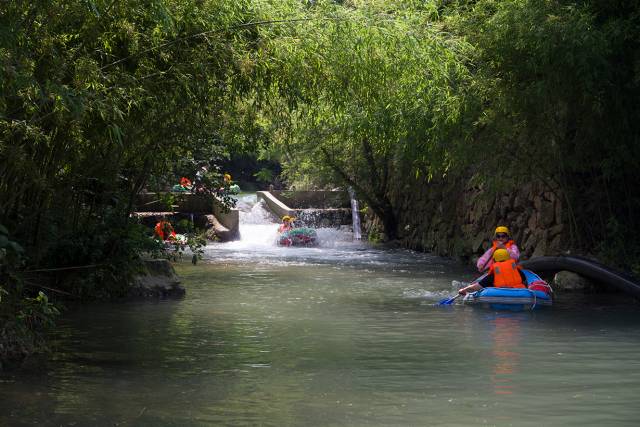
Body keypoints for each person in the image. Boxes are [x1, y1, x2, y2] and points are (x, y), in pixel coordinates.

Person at [458, 249, 527, 295]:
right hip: (520, 293)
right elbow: (524, 281)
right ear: (508, 258)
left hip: (499, 295)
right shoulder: (517, 270)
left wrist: (464, 290)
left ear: (494, 260)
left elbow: (476, 287)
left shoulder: (494, 274)